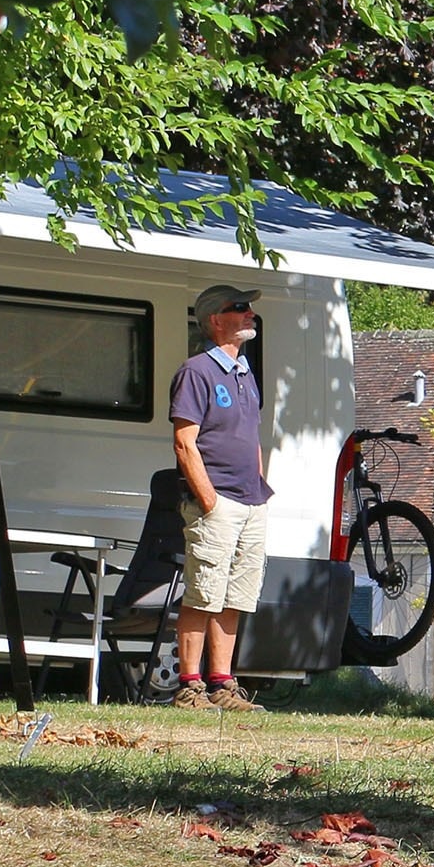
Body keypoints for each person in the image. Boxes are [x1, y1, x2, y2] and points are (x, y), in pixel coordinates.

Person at [168, 285, 270, 711]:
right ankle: (189, 687)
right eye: (240, 308)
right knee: (203, 593)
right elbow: (184, 443)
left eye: (249, 309)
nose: (250, 315)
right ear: (215, 320)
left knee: (236, 596)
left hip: (251, 502)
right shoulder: (196, 372)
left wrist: (260, 488)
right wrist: (209, 501)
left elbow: (253, 438)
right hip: (218, 503)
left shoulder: (244, 373)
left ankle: (223, 685)